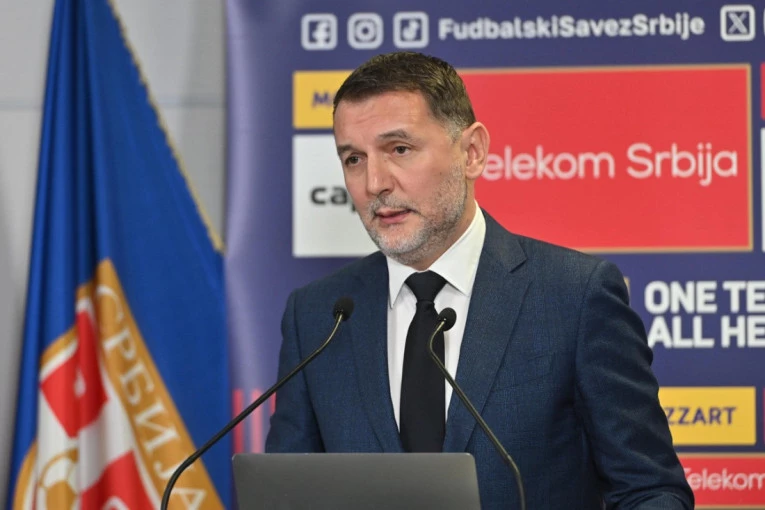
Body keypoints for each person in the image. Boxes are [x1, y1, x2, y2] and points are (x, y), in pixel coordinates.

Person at [265, 51, 693, 509]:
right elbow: (286, 497)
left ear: (471, 153)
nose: (374, 183)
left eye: (399, 149)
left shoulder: (574, 296)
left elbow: (652, 492)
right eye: (354, 158)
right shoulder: (319, 316)